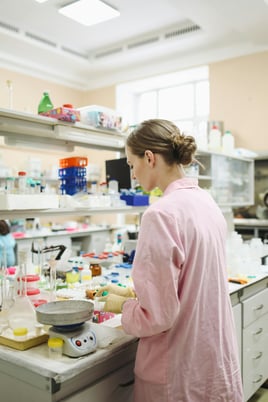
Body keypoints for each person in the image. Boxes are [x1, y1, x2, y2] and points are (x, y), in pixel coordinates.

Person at [96, 119, 244, 402]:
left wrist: (125, 308)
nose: (133, 174)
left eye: (131, 164)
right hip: (211, 359)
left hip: (176, 372)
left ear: (149, 158)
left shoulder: (160, 214)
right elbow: (192, 280)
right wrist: (133, 293)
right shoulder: (206, 201)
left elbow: (157, 316)